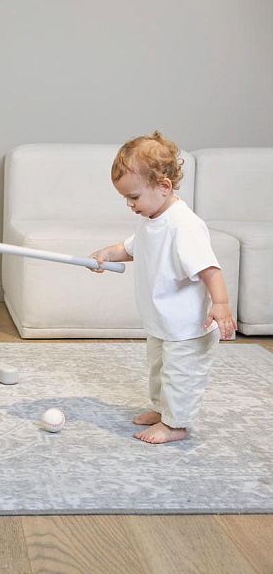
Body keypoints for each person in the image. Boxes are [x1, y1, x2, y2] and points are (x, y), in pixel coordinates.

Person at [88, 131, 237, 444]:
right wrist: (106, 254)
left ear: (164, 186)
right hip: (162, 321)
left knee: (180, 375)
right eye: (126, 198)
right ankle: (162, 410)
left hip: (188, 327)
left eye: (134, 197)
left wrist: (221, 303)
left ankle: (175, 424)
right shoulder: (151, 218)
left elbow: (209, 268)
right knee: (159, 370)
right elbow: (131, 248)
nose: (129, 204)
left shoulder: (183, 224)